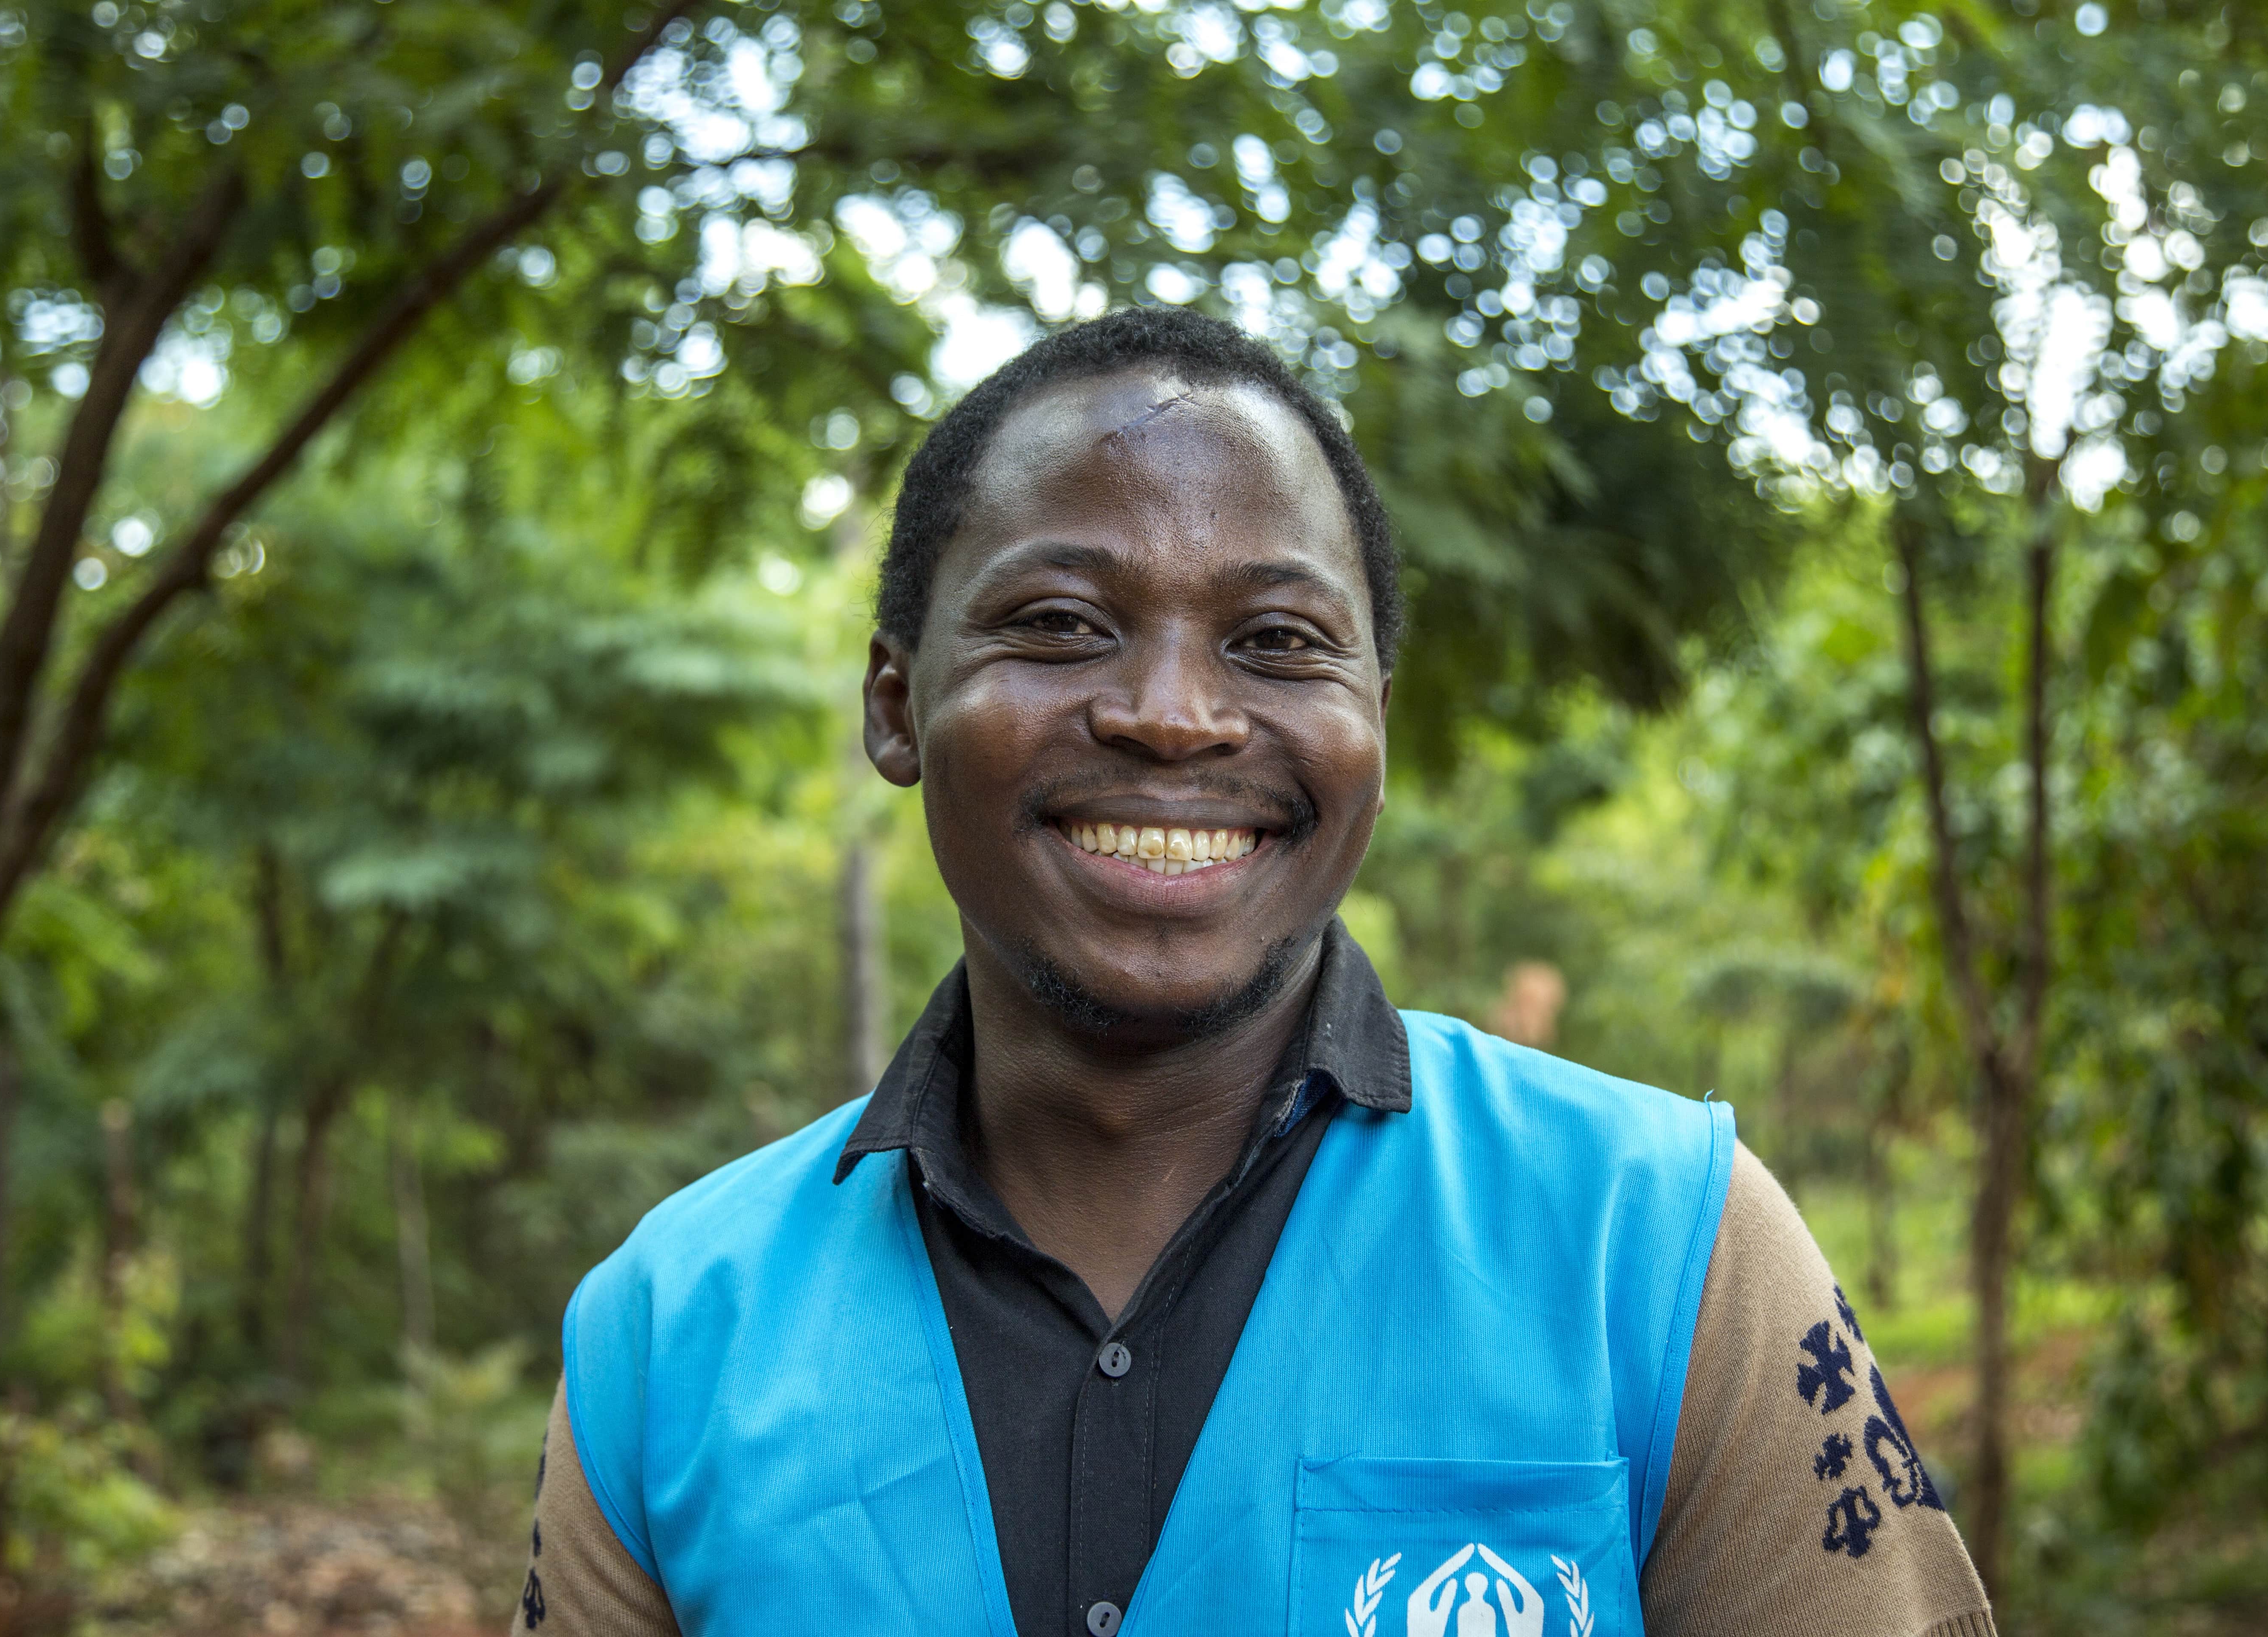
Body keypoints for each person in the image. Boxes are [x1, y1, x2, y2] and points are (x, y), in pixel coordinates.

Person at [510, 307, 1994, 1637]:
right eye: (1061, 624)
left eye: (1278, 641)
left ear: (1374, 727)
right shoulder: (665, 1337)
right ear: (898, 708)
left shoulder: (1662, 1244)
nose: (1173, 716)